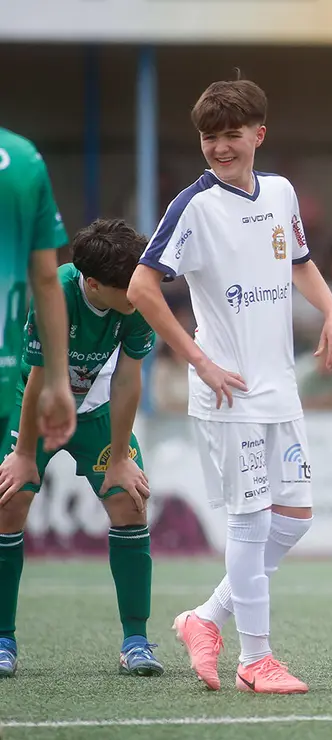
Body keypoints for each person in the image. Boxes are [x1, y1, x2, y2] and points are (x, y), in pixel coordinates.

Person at [127, 76, 332, 694]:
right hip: (227, 393)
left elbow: (300, 262)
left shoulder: (280, 193)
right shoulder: (193, 207)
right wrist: (197, 359)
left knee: (296, 516)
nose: (220, 147)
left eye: (232, 135)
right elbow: (143, 287)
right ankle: (256, 659)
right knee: (251, 525)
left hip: (279, 388)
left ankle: (206, 619)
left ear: (258, 134)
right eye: (209, 137)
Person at [0, 219, 153, 678]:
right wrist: (25, 454)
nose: (138, 292)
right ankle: (3, 639)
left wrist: (122, 458)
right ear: (92, 283)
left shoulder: (137, 295)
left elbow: (128, 378)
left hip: (99, 411)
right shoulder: (57, 294)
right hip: (38, 402)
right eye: (126, 288)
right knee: (9, 503)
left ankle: (136, 641)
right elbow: (40, 378)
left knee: (131, 502)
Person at [0, 126, 78, 677]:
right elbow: (46, 281)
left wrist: (54, 380)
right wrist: (56, 380)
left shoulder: (26, 160)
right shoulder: (24, 158)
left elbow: (49, 280)